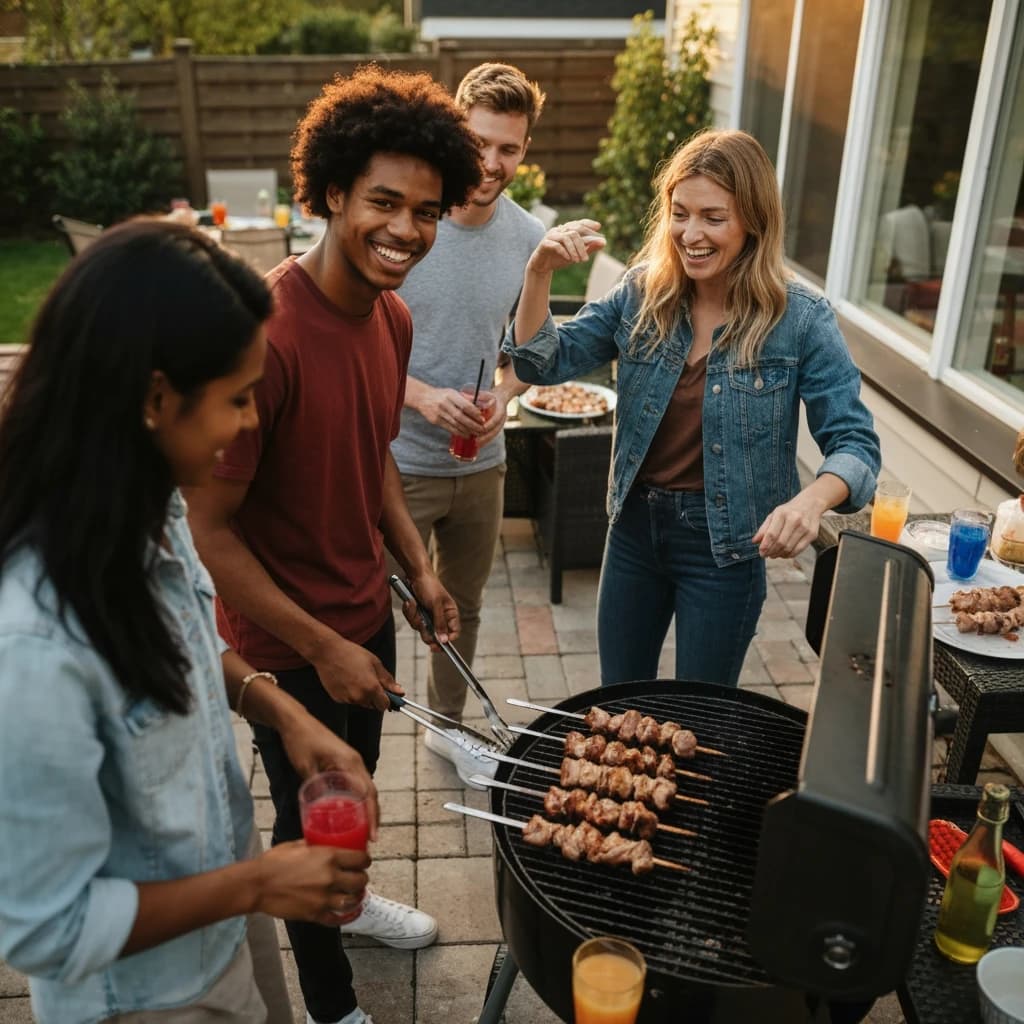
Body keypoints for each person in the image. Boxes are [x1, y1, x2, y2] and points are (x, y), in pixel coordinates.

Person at [0, 219, 376, 1024]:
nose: (250, 423)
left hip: (226, 913)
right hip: (145, 996)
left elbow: (186, 644)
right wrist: (260, 882)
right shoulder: (31, 648)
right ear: (155, 398)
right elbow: (43, 927)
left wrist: (282, 708)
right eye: (237, 399)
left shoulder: (147, 499)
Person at [184, 67, 483, 1024]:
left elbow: (374, 458)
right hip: (287, 644)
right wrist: (319, 645)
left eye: (427, 211)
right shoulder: (262, 336)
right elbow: (209, 532)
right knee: (310, 812)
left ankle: (346, 907)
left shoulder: (391, 318)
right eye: (384, 203)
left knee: (353, 790)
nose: (406, 230)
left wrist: (418, 568)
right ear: (332, 195)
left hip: (363, 620)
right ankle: (329, 1003)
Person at [503, 129, 881, 687]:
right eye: (680, 214)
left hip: (724, 549)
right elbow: (540, 363)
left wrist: (810, 502)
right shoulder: (641, 294)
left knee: (700, 715)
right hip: (633, 531)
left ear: (752, 220)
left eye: (713, 217)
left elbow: (856, 445)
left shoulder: (800, 318)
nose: (691, 234)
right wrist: (538, 271)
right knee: (619, 703)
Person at [393, 62, 546, 786]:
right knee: (376, 603)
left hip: (480, 463)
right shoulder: (408, 220)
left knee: (466, 605)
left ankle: (446, 730)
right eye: (480, 142)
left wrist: (506, 396)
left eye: (508, 148)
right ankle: (363, 723)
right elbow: (353, 337)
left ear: (524, 150)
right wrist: (421, 395)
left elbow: (527, 353)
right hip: (395, 458)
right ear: (457, 130)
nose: (491, 164)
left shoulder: (527, 238)